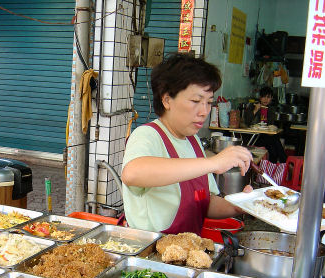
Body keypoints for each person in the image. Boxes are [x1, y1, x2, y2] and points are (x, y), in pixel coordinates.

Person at [121, 53, 253, 235]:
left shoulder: (193, 141)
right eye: (196, 101)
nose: (204, 112)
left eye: (209, 102)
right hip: (149, 254)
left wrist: (241, 206)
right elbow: (133, 173)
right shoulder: (148, 135)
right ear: (167, 99)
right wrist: (213, 163)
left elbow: (203, 203)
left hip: (186, 251)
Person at [245, 86, 287, 163]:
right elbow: (247, 122)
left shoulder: (271, 109)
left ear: (271, 99)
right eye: (263, 97)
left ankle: (276, 166)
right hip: (254, 137)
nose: (265, 99)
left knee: (273, 146)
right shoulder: (253, 106)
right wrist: (255, 110)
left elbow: (270, 125)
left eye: (268, 97)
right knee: (274, 142)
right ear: (260, 98)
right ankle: (285, 163)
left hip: (265, 136)